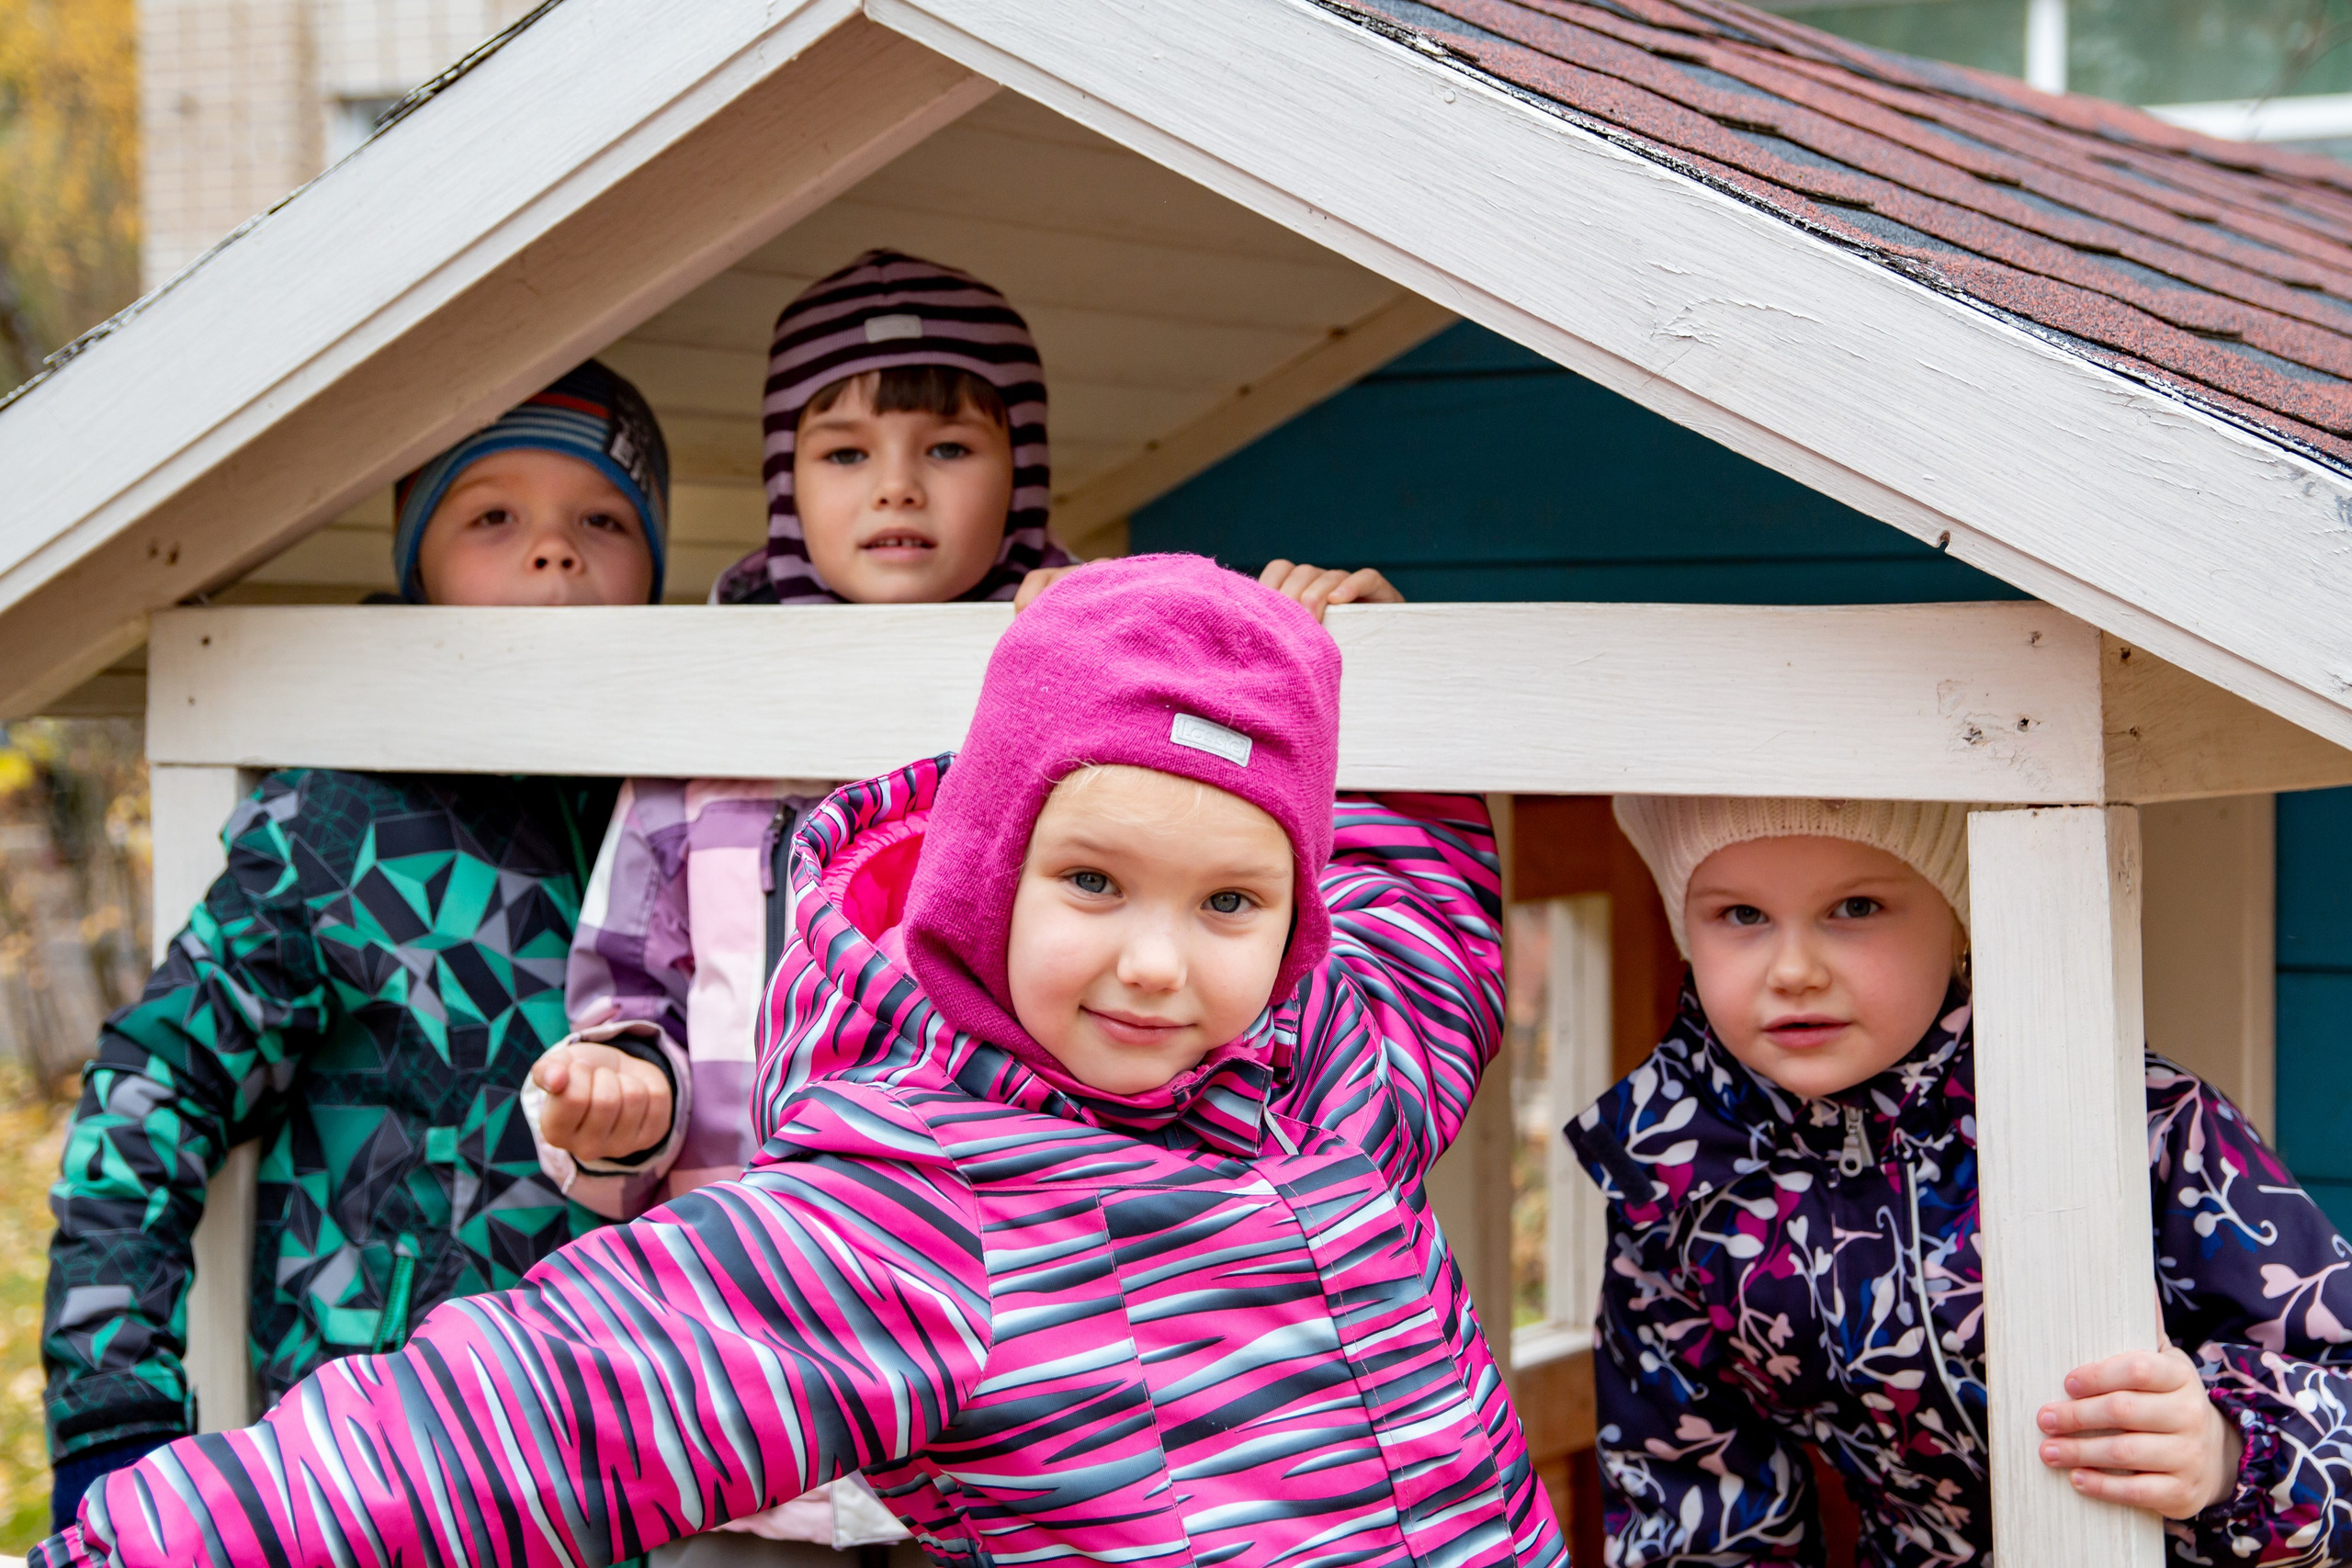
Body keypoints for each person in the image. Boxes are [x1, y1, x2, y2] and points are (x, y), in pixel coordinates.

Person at [32, 552, 1565, 1568]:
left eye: (1229, 901)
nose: (1160, 961)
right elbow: (536, 1408)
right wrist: (153, 1536)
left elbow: (1423, 927)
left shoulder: (1326, 1065)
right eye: (1092, 883)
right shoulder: (918, 1199)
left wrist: (1381, 711)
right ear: (983, 876)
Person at [526, 250, 1397, 1560]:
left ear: (1022, 471)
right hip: (741, 1380)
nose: (894, 484)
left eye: (947, 443)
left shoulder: (1108, 680)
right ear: (783, 483)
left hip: (1007, 1383)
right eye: (841, 450)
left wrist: (1329, 632)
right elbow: (626, 999)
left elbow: (1236, 806)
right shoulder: (702, 712)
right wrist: (613, 1107)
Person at [39, 359, 668, 1533]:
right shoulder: (343, 818)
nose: (554, 552)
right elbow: (147, 1095)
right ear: (416, 555)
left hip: (615, 1463)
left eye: (603, 518)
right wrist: (111, 1419)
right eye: (492, 517)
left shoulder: (676, 807)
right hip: (363, 1467)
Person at [1568, 796, 2352, 1564]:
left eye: (1857, 905)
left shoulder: (2137, 1124)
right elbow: (1691, 1489)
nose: (1794, 969)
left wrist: (2221, 1452)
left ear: (1958, 918)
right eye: (1741, 915)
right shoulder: (1679, 1169)